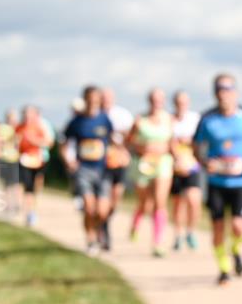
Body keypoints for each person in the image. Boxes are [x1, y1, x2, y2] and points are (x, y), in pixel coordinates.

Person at [193, 74, 242, 285]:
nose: (224, 93)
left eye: (228, 88)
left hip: (241, 181)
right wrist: (205, 163)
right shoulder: (207, 119)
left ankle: (236, 249)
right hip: (216, 183)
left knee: (239, 226)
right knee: (217, 228)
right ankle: (223, 269)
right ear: (215, 93)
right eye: (219, 89)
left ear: (236, 92)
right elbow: (195, 147)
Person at [61, 86, 115, 256]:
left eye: (96, 98)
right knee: (89, 208)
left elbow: (113, 140)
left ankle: (99, 229)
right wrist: (69, 161)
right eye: (90, 98)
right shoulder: (76, 121)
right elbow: (63, 143)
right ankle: (91, 240)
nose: (93, 102)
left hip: (103, 170)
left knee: (102, 211)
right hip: (83, 170)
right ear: (85, 99)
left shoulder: (105, 119)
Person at [127, 89, 175, 257]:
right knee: (144, 203)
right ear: (149, 100)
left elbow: (173, 143)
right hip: (143, 164)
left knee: (160, 202)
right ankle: (135, 223)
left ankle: (157, 242)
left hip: (163, 163)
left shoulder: (169, 119)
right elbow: (129, 142)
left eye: (159, 99)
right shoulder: (140, 120)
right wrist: (142, 148)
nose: (156, 102)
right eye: (154, 99)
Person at [100, 87, 134, 250]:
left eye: (108, 97)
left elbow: (132, 138)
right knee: (103, 200)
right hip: (101, 164)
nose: (106, 100)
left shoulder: (123, 115)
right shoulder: (95, 115)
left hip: (119, 163)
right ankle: (104, 229)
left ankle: (105, 221)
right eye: (103, 97)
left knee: (115, 200)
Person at [170, 90, 202, 251]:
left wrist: (189, 141)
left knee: (193, 200)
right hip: (175, 167)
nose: (181, 105)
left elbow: (201, 141)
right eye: (178, 102)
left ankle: (191, 231)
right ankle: (177, 235)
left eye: (184, 102)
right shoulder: (169, 120)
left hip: (192, 165)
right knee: (178, 204)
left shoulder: (195, 119)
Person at [14, 105, 52, 227]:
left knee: (36, 187)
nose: (27, 116)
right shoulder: (19, 127)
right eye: (25, 114)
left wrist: (34, 141)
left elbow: (48, 143)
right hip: (24, 161)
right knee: (27, 188)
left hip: (38, 161)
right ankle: (29, 214)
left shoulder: (40, 126)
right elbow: (14, 143)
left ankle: (33, 210)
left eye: (30, 114)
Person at [0, 109, 22, 215]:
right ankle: (7, 204)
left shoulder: (19, 128)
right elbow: (1, 141)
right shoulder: (3, 128)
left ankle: (17, 203)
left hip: (16, 158)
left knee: (17, 183)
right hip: (5, 158)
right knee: (6, 183)